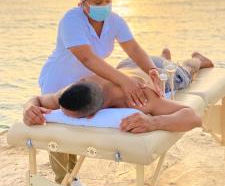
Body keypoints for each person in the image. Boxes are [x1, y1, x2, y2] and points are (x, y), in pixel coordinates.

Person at [37, 0, 162, 186]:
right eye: (97, 2)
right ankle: (64, 182)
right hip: (58, 80)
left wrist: (151, 69)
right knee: (59, 135)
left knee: (75, 131)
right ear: (83, 3)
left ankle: (71, 178)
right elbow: (86, 57)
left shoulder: (115, 21)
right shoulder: (71, 20)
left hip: (84, 83)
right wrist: (124, 80)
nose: (104, 5)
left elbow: (133, 48)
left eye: (108, 1)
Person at [24, 49, 214, 132]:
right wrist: (29, 108)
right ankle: (163, 57)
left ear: (92, 115)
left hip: (157, 72)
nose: (60, 111)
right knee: (157, 62)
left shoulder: (140, 98)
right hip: (129, 64)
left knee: (185, 73)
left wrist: (153, 122)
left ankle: (197, 59)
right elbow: (37, 99)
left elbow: (193, 117)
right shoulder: (75, 90)